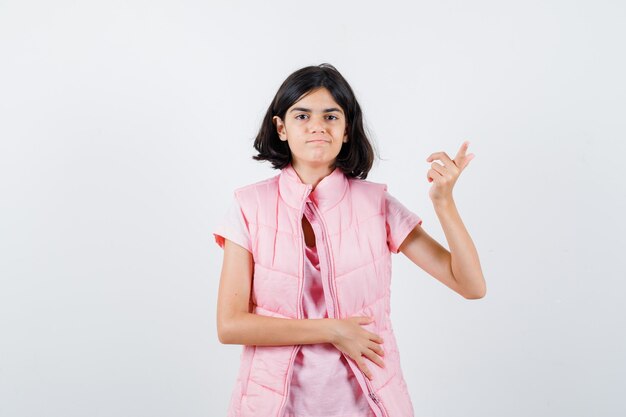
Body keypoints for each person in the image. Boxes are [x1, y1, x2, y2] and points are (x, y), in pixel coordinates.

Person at [212, 63, 486, 417]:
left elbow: (470, 285)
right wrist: (332, 330)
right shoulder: (248, 206)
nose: (316, 127)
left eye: (330, 116)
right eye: (301, 116)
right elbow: (230, 325)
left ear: (346, 131)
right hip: (272, 407)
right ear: (280, 128)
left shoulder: (377, 205)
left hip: (368, 404)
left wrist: (443, 202)